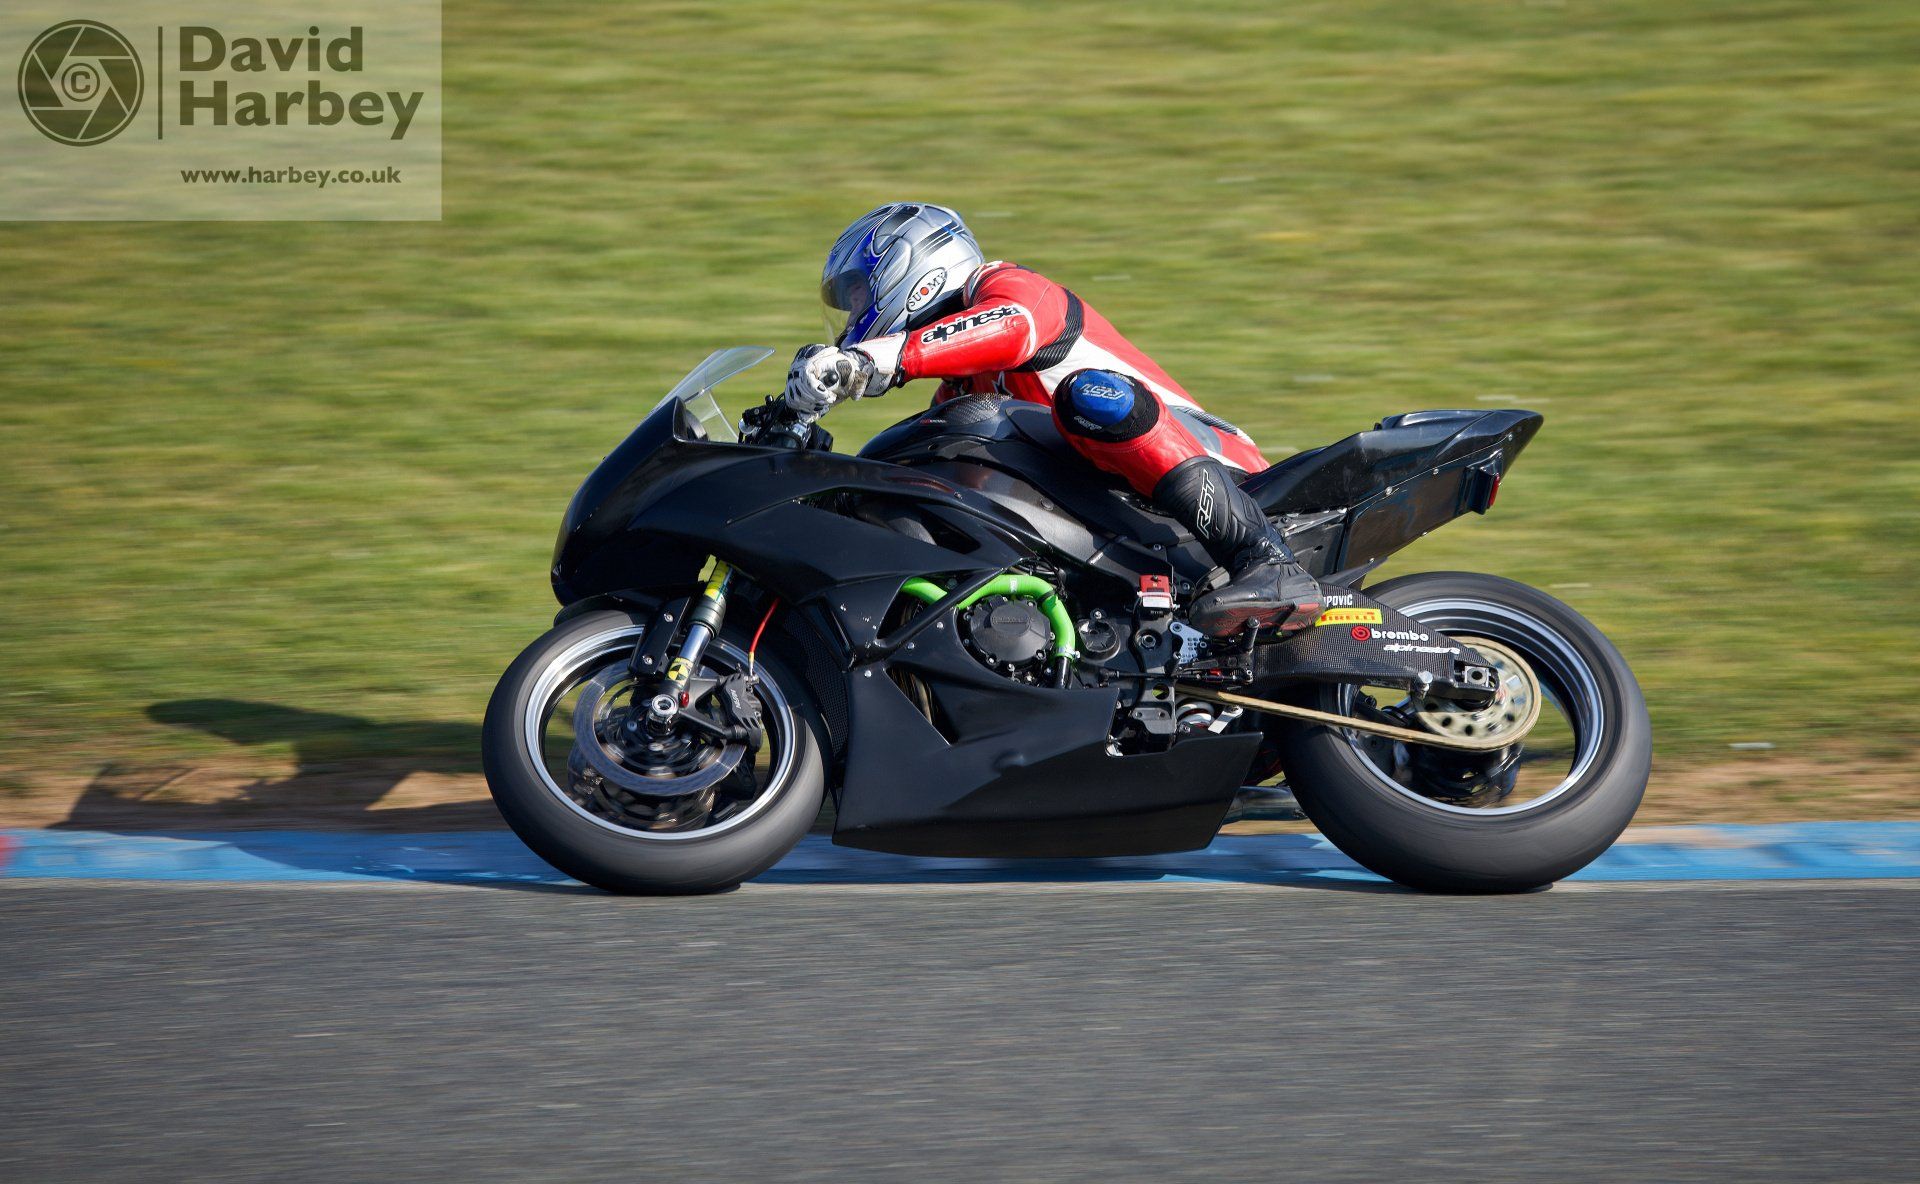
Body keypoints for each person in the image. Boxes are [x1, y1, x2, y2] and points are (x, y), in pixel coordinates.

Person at [786, 201, 1322, 637]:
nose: (853, 316)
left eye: (858, 293)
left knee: (1088, 396)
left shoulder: (1010, 289)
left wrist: (875, 359)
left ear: (915, 270)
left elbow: (1011, 327)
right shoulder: (962, 390)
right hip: (1123, 509)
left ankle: (1266, 560)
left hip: (1221, 467)